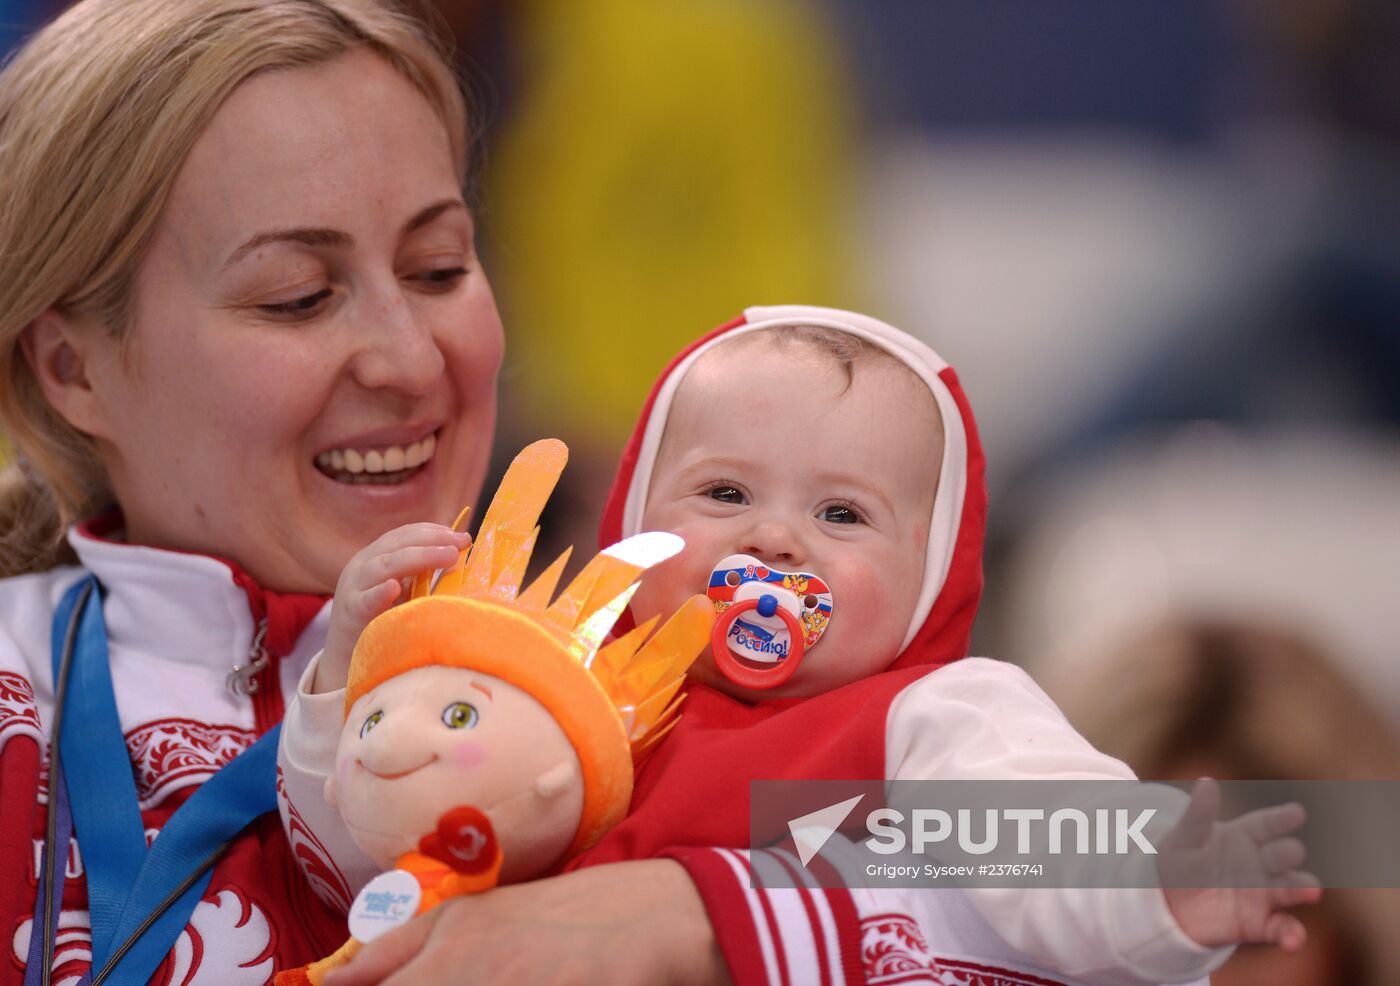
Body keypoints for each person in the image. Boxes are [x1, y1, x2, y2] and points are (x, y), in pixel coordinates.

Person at [292, 306, 1317, 986]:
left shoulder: (931, 717)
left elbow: (1029, 828)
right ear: (630, 525)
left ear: (932, 579)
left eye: (841, 513)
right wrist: (347, 677)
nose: (773, 539)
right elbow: (367, 844)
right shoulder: (559, 692)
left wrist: (1154, 879)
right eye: (723, 492)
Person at [0, 0, 515, 981]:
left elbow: (854, 840)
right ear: (73, 367)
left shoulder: (620, 648)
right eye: (298, 296)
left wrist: (679, 908)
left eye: (437, 267)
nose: (411, 360)